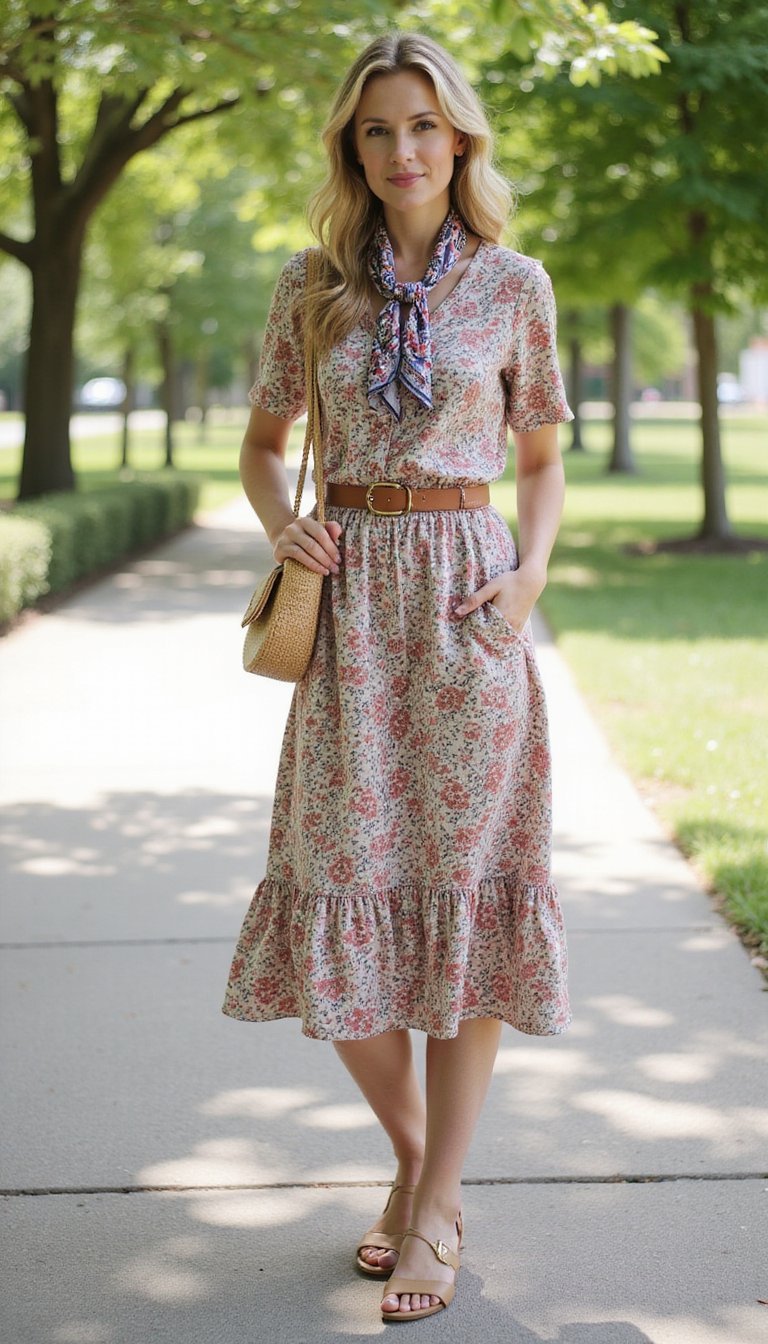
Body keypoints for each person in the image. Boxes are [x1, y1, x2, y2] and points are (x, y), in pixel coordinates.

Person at [222, 30, 573, 1324]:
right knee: (340, 886)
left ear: (460, 137)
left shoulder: (516, 283)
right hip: (354, 603)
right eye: (378, 130)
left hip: (470, 603)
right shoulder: (311, 284)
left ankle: (430, 1206)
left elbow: (539, 458)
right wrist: (284, 526)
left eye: (424, 125)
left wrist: (529, 576)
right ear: (351, 148)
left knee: (464, 900)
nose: (403, 150)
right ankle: (426, 1165)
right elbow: (267, 446)